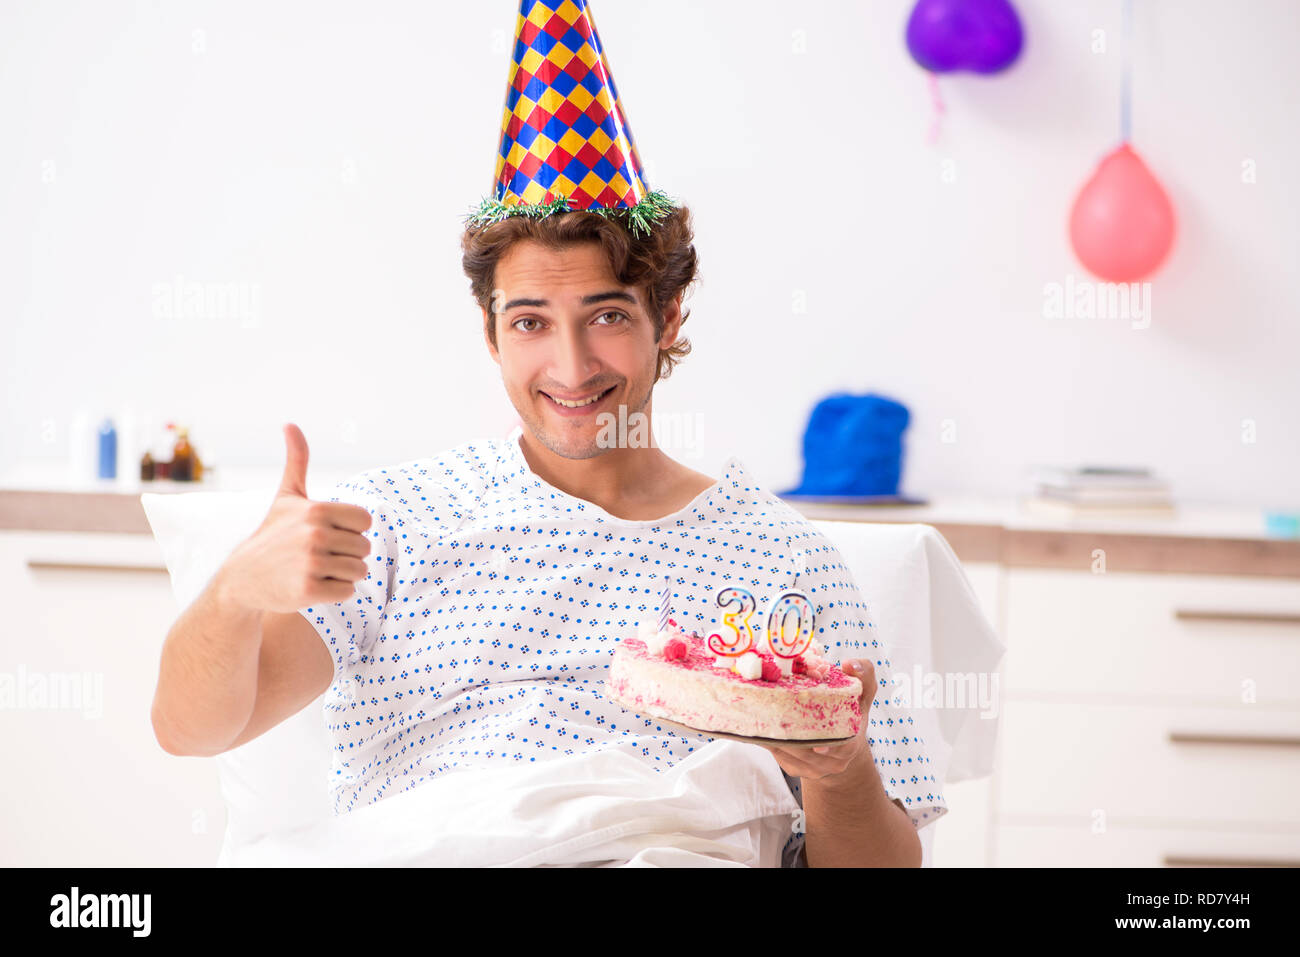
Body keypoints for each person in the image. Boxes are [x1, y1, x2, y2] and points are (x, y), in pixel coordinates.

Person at [149, 0, 944, 867]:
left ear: (667, 315)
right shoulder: (393, 522)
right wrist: (235, 592)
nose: (570, 367)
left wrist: (840, 770)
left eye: (605, 314)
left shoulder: (784, 563)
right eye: (530, 322)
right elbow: (191, 730)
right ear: (490, 332)